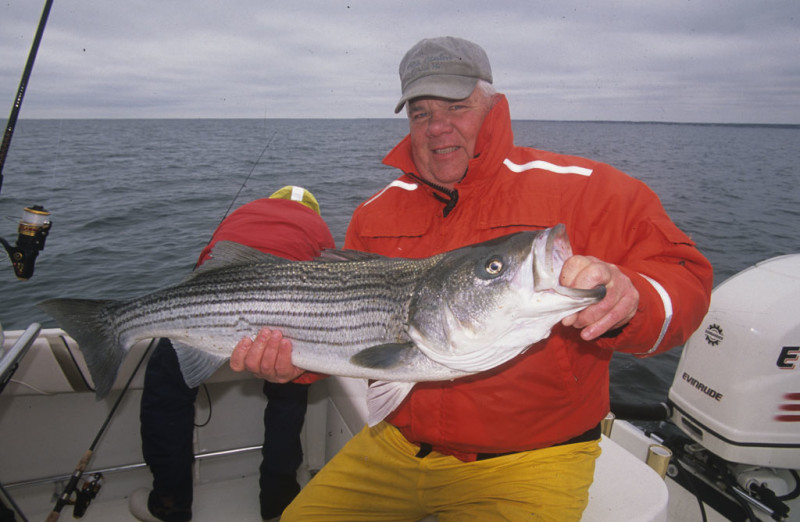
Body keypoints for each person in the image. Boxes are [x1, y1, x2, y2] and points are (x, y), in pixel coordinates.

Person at [230, 37, 714, 521]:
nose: (438, 128)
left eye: (457, 107)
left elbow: (685, 278)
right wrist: (296, 363)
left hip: (532, 460)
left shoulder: (585, 189)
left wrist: (632, 298)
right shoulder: (374, 214)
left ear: (493, 106)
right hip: (397, 447)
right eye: (421, 114)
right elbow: (355, 330)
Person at [130, 186, 335, 522]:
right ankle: (277, 503)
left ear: (272, 199)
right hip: (283, 321)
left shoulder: (246, 211)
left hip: (214, 311)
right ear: (314, 211)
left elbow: (200, 276)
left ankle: (170, 503)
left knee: (166, 391)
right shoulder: (319, 228)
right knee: (288, 395)